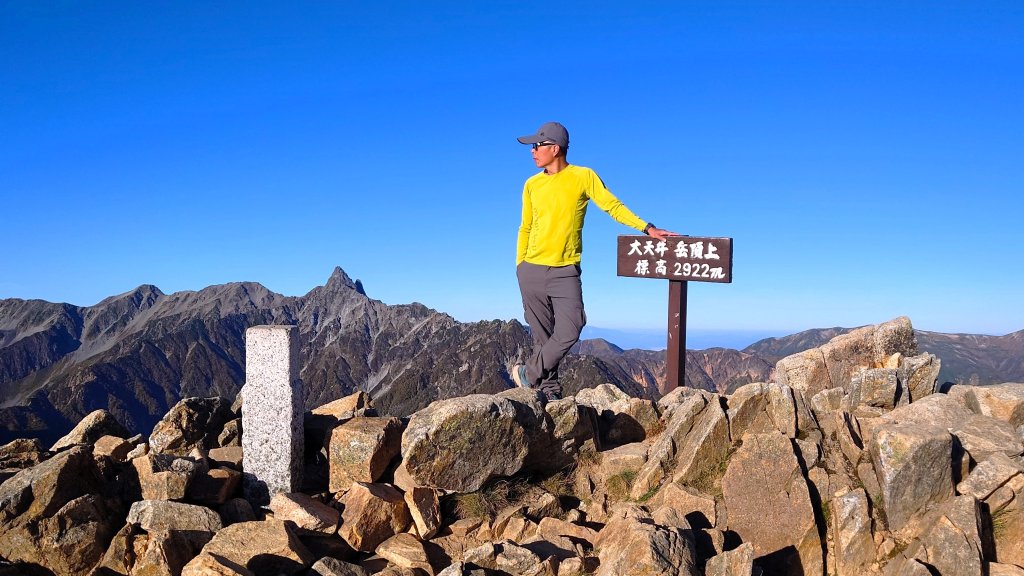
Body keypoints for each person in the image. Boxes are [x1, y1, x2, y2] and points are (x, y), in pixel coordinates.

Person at [511, 121, 678, 401]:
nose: (533, 151)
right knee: (542, 336)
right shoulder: (531, 184)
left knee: (571, 327)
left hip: (565, 270)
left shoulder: (583, 176)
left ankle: (528, 373)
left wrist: (646, 227)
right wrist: (520, 265)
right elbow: (525, 227)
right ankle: (549, 391)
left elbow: (612, 206)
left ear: (555, 148)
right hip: (531, 270)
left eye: (537, 145)